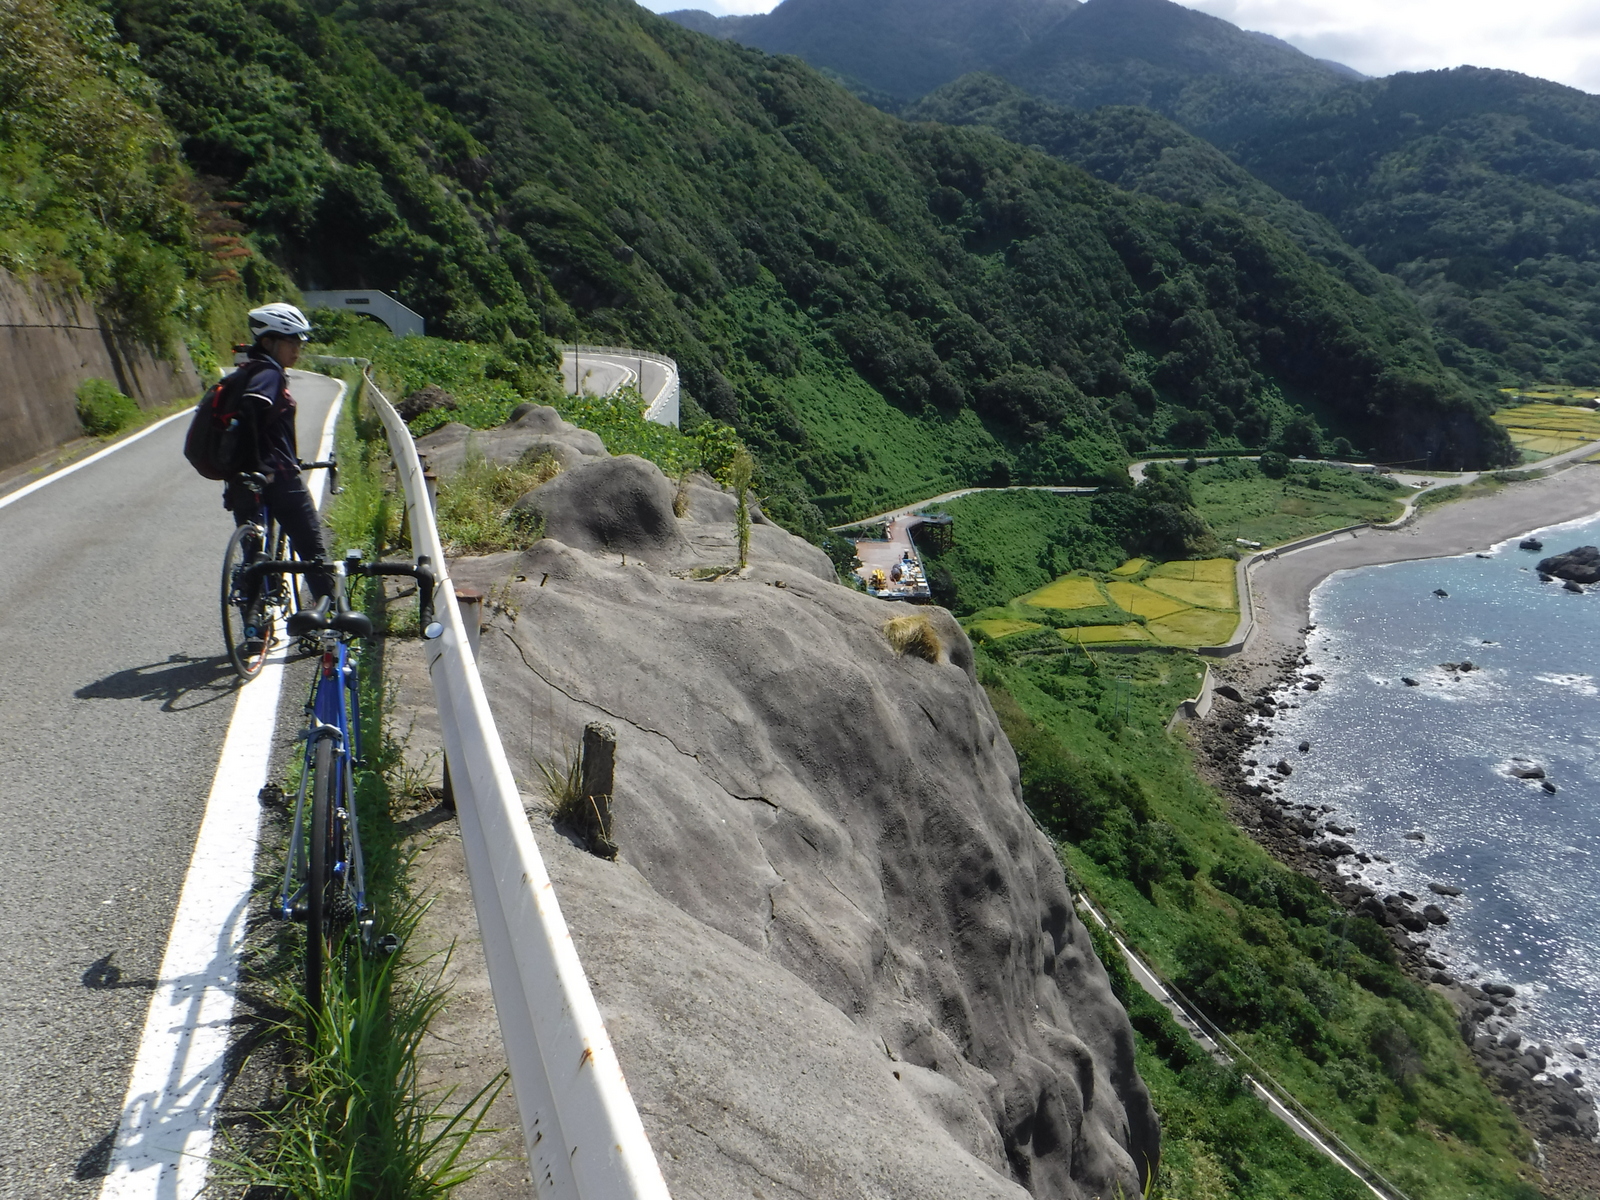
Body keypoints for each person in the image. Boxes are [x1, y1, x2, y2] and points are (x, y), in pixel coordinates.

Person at [222, 302, 335, 608]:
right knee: (314, 556)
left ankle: (254, 626)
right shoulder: (268, 374)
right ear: (268, 342)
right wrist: (265, 464)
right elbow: (252, 409)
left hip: (241, 479)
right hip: (279, 478)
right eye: (290, 340)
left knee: (255, 554)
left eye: (300, 340)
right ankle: (330, 627)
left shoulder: (243, 373)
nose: (297, 348)